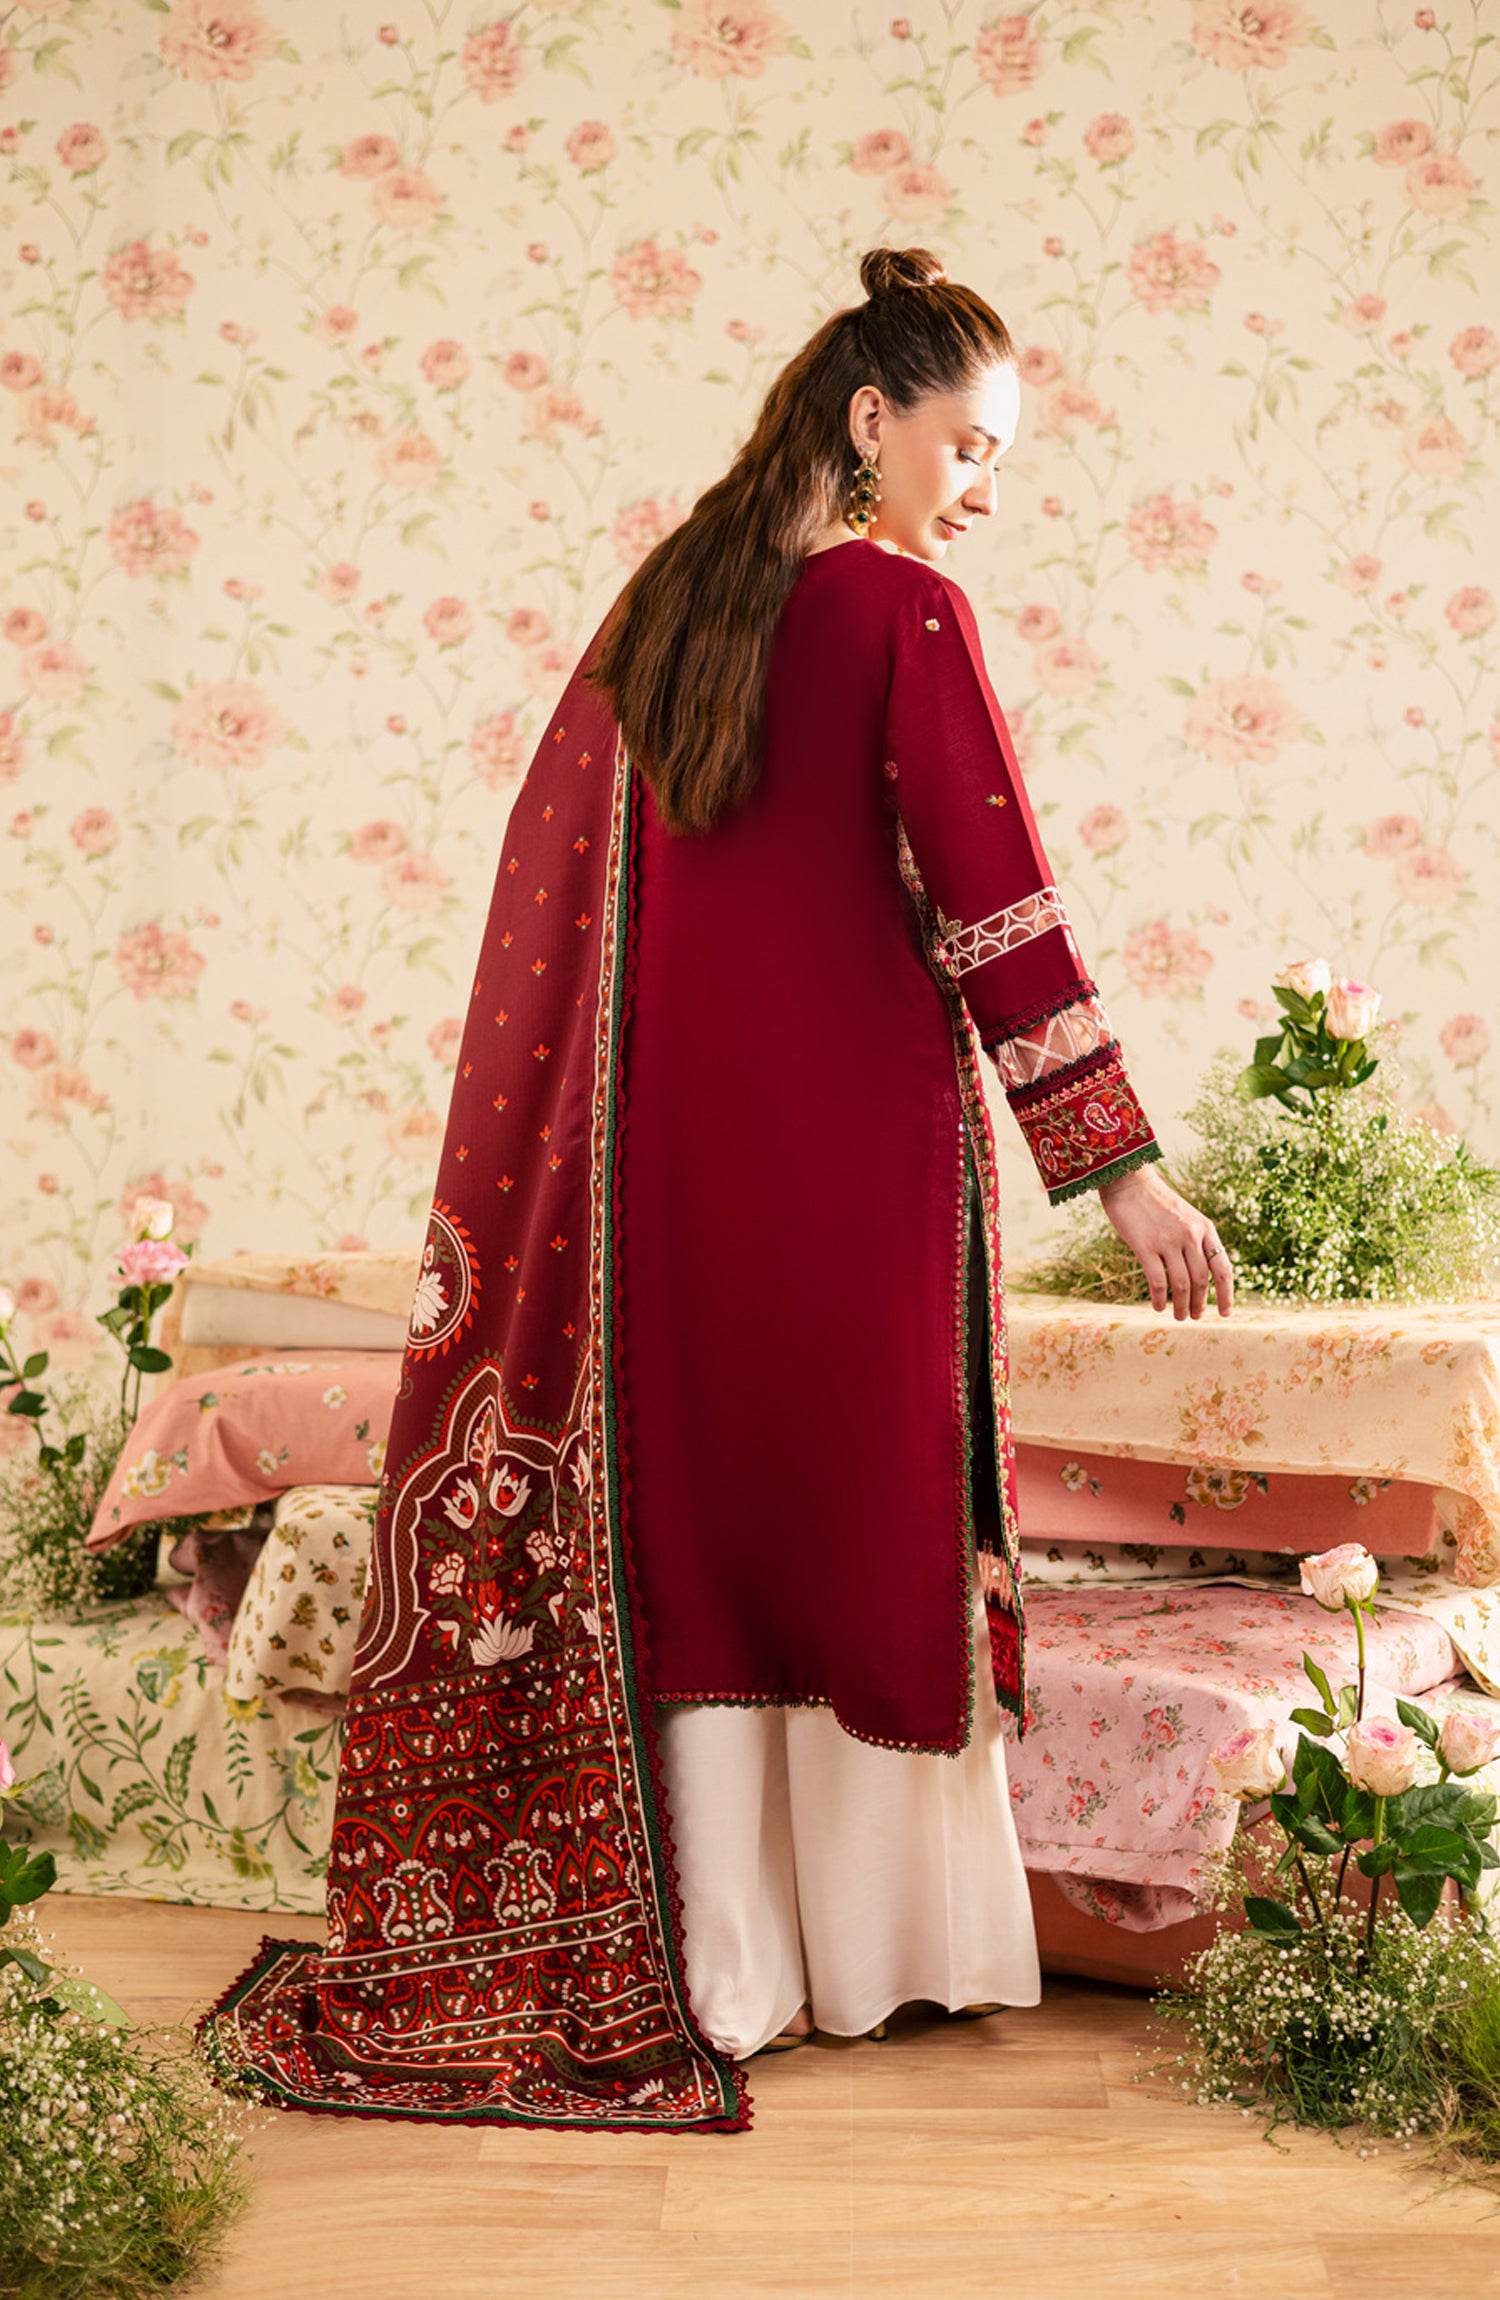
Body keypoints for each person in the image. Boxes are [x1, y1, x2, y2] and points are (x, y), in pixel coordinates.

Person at [201, 246, 1234, 2136]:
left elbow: (568, 912)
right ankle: (878, 1955)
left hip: (655, 1181)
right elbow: (1000, 907)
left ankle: (718, 1964)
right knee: (854, 1505)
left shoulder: (667, 606)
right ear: (872, 417)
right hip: (856, 1162)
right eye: (970, 446)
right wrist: (1124, 1176)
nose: (983, 489)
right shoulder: (903, 610)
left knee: (707, 1514)